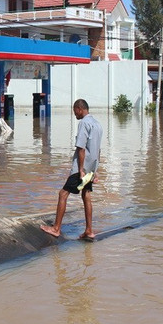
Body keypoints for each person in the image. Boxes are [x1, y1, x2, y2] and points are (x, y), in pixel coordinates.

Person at [41, 99, 103, 240]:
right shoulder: (97, 124)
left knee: (63, 194)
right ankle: (89, 230)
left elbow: (81, 148)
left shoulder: (84, 123)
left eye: (75, 111)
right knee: (86, 194)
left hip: (81, 168)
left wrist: (80, 170)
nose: (74, 114)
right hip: (91, 168)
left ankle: (56, 228)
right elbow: (98, 149)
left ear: (80, 109)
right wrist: (96, 170)